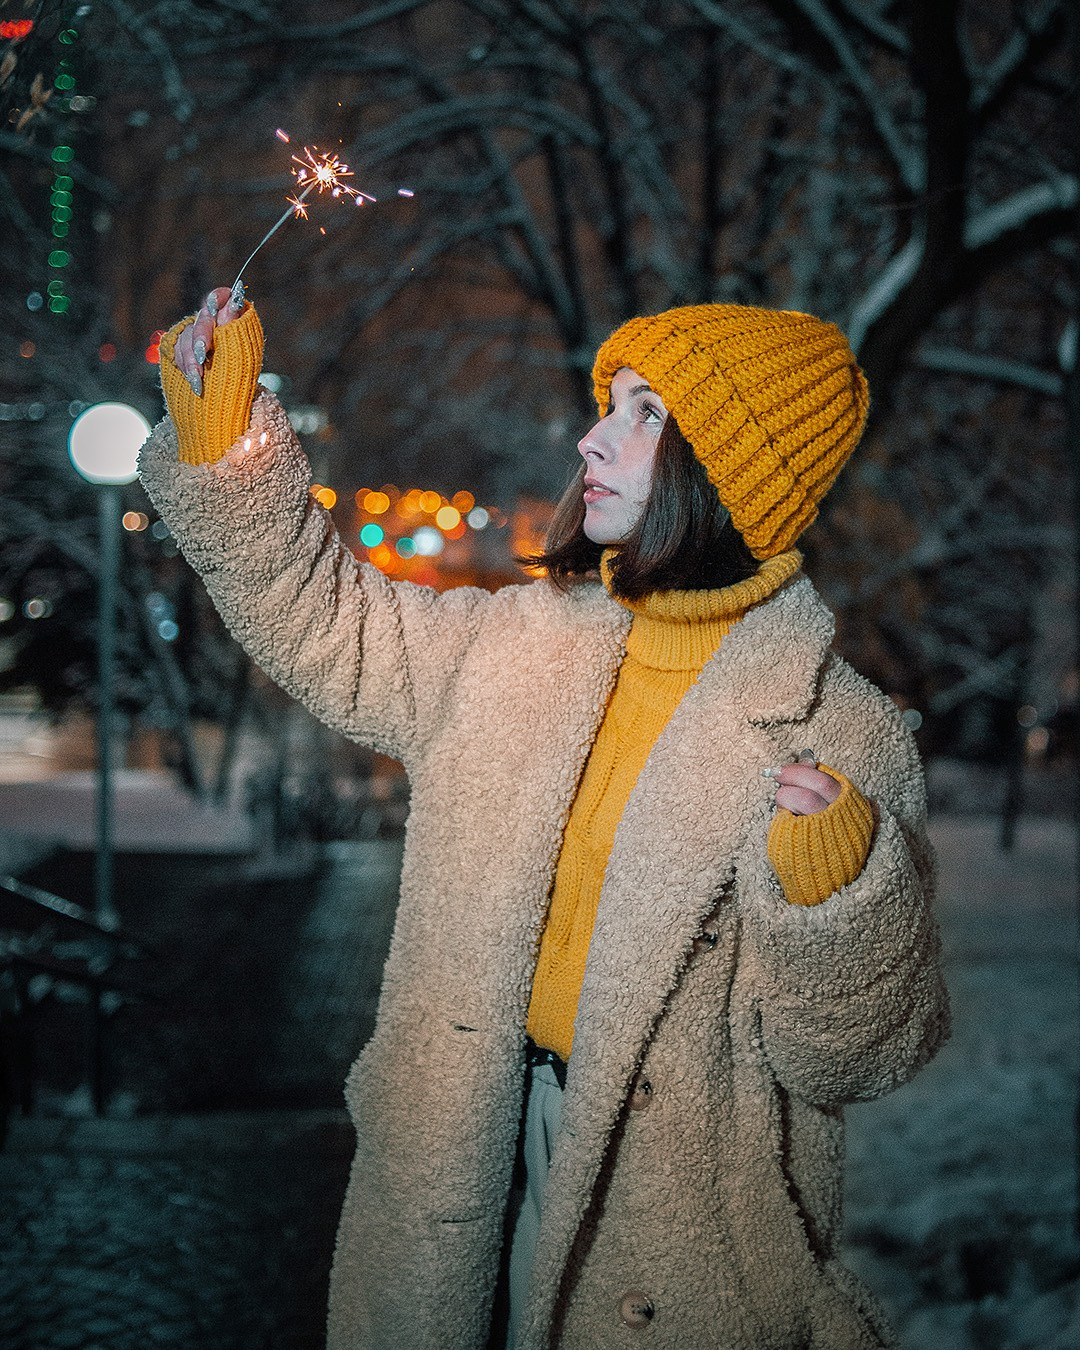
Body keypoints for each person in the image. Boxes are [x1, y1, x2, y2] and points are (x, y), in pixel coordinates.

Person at [140, 285, 950, 1350]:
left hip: (673, 1230)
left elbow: (857, 1061)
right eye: (608, 401)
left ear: (735, 471)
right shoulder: (514, 646)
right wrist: (222, 436)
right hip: (456, 1142)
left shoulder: (839, 734)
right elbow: (319, 616)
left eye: (645, 413)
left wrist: (842, 895)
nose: (592, 436)